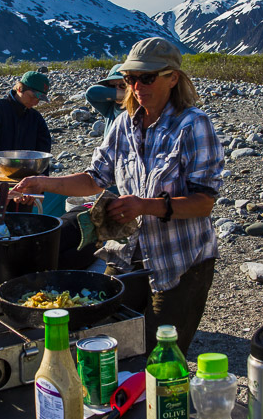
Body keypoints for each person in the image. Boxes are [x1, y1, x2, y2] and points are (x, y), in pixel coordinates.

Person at [14, 37, 224, 354]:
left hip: (179, 261)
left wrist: (144, 205)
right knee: (104, 339)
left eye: (147, 77)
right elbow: (94, 179)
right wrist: (43, 182)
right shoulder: (124, 124)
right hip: (127, 252)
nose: (137, 86)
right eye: (130, 79)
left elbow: (204, 202)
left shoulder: (194, 126)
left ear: (173, 78)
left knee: (160, 354)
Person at [0, 70, 52, 164]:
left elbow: (43, 153)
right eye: (32, 96)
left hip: (28, 174)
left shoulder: (36, 118)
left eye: (39, 99)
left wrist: (41, 177)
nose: (35, 102)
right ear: (19, 88)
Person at [85, 64, 126, 140]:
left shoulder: (141, 107)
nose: (117, 89)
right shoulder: (109, 108)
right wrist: (125, 94)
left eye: (122, 85)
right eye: (112, 87)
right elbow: (90, 93)